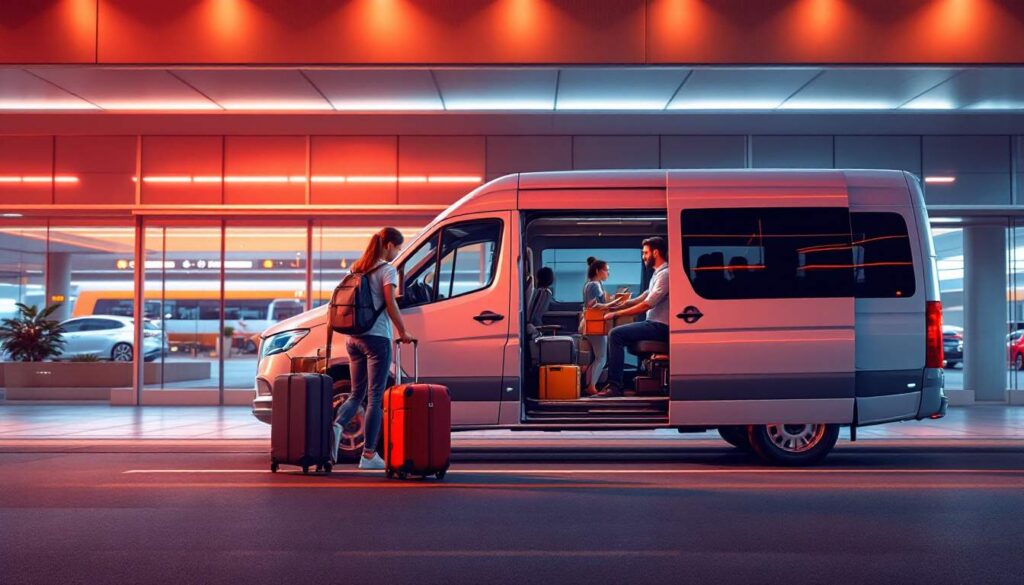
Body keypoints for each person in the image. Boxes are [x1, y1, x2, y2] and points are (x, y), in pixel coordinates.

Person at [333, 227, 414, 470]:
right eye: (397, 248)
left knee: (357, 394)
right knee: (375, 397)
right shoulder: (387, 270)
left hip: (353, 338)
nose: (396, 252)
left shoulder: (357, 267)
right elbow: (390, 304)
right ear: (389, 245)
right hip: (376, 338)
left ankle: (336, 425)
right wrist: (403, 331)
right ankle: (368, 455)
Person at [593, 237, 670, 398]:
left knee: (615, 334)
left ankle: (614, 386)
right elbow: (643, 296)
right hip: (653, 324)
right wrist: (615, 305)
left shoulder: (666, 275)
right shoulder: (658, 274)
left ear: (656, 252)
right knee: (619, 334)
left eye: (646, 253)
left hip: (660, 327)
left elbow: (647, 304)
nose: (644, 257)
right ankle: (620, 383)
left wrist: (616, 314)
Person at [581, 257, 623, 396]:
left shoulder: (591, 284)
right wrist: (611, 304)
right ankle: (591, 386)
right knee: (602, 358)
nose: (608, 273)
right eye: (607, 270)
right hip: (595, 325)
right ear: (598, 271)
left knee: (598, 357)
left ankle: (588, 385)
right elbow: (593, 305)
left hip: (591, 324)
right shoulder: (594, 285)